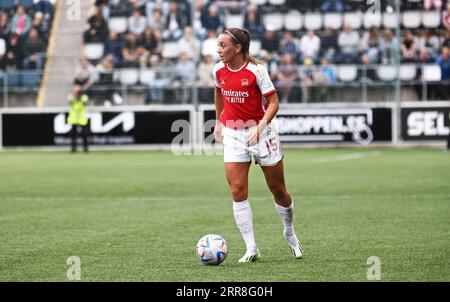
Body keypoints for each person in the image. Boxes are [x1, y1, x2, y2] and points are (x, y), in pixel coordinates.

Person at [212, 28, 303, 263]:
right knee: (237, 190)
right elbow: (219, 93)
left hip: (262, 134)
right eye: (218, 45)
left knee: (278, 189)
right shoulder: (218, 70)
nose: (218, 49)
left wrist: (260, 127)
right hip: (233, 133)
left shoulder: (256, 71)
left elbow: (274, 103)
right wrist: (219, 121)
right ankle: (251, 248)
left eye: (222, 45)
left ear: (237, 48)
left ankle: (289, 232)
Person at [67, 85, 90, 153]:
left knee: (84, 134)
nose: (77, 92)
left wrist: (79, 97)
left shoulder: (84, 97)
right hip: (73, 118)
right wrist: (75, 96)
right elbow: (70, 103)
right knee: (73, 135)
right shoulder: (71, 97)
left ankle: (85, 148)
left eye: (78, 91)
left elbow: (84, 103)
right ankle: (73, 148)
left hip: (82, 118)